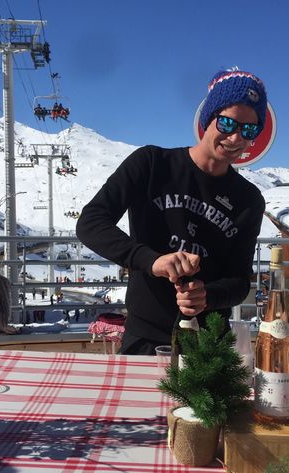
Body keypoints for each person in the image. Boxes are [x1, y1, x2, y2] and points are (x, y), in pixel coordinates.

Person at [76, 68, 267, 355]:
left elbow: (240, 281)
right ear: (208, 119)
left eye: (249, 130)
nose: (236, 138)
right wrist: (151, 261)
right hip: (146, 338)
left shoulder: (249, 199)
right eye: (227, 123)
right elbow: (91, 222)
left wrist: (207, 296)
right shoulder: (152, 164)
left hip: (210, 344)